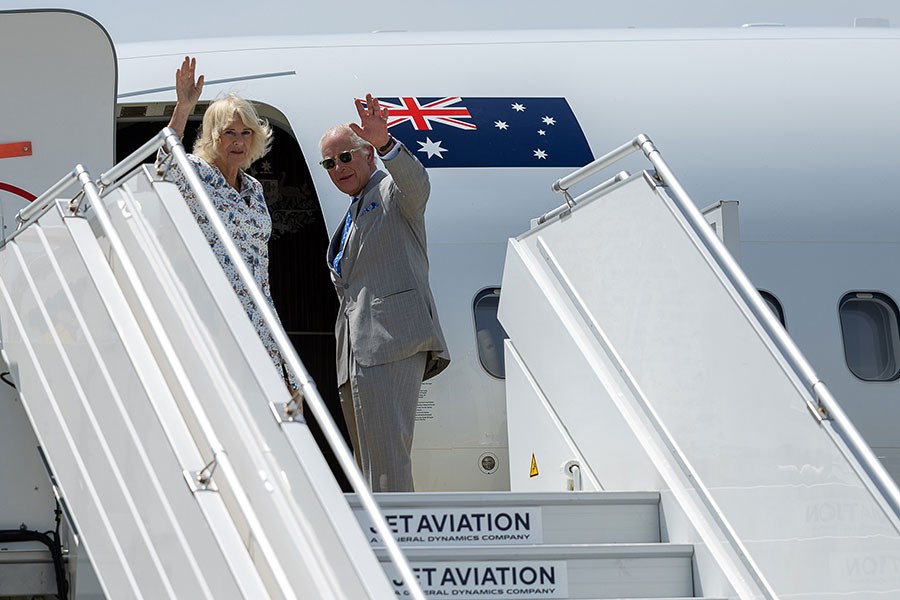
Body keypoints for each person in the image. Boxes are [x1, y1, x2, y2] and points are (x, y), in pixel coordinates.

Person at [321, 94, 450, 492]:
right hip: (356, 354)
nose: (338, 167)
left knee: (388, 468)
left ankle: (401, 549)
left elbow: (417, 185)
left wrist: (386, 143)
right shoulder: (354, 209)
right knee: (370, 470)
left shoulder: (391, 193)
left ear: (368, 157)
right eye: (329, 162)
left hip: (390, 343)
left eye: (345, 157)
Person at [157, 56, 298, 394]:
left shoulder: (255, 188)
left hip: (260, 313)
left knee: (285, 399)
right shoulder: (198, 175)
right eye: (229, 133)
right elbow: (165, 163)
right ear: (213, 137)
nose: (238, 140)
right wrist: (183, 106)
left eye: (245, 132)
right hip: (214, 314)